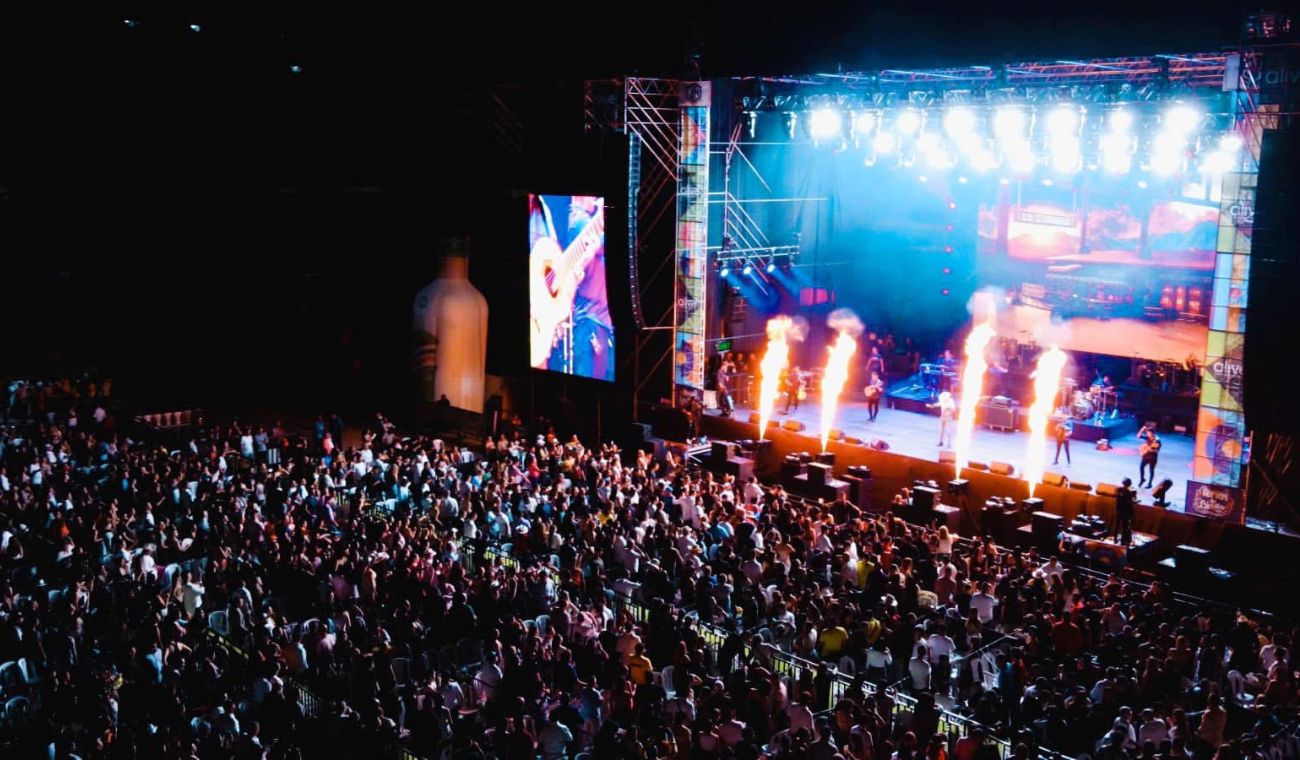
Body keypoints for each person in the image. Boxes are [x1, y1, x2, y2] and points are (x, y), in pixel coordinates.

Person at [1113, 477, 1136, 547]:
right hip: (1125, 512)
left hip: (1118, 511)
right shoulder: (1129, 492)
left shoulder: (1118, 490)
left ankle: (1115, 539)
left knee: (1117, 526)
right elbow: (1130, 502)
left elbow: (1117, 497)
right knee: (1124, 527)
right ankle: (1123, 541)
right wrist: (1134, 499)